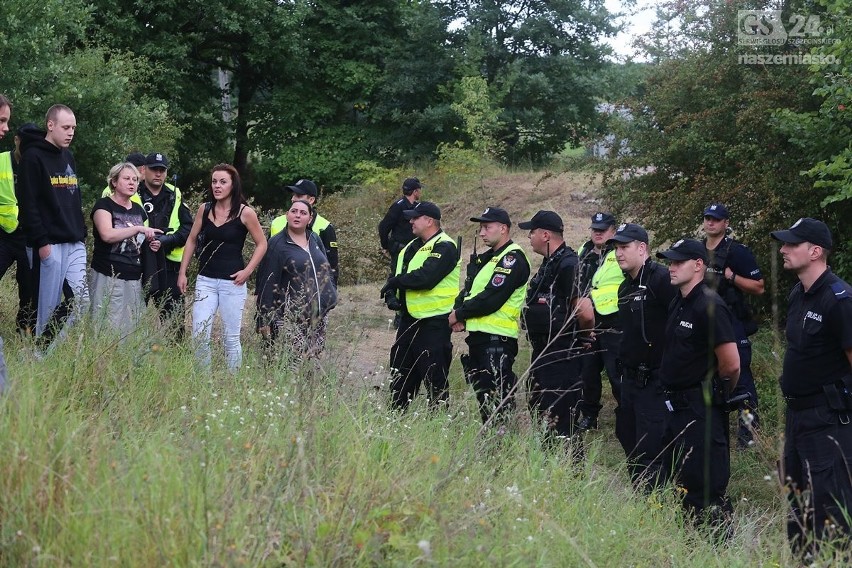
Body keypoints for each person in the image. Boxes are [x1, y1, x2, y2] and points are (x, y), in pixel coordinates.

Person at [770, 218, 852, 555]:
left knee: (829, 508)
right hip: (798, 417)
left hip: (828, 420)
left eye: (791, 244)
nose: (783, 250)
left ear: (815, 251)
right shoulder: (798, 294)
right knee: (798, 502)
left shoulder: (840, 300)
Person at [656, 238, 740, 526]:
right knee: (680, 480)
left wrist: (715, 394)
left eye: (679, 261)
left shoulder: (709, 304)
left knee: (705, 487)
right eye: (670, 261)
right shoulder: (679, 302)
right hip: (675, 408)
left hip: (700, 407)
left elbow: (731, 364)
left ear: (698, 265)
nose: (671, 267)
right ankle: (690, 544)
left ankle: (717, 548)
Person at [178, 164, 267, 371]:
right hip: (205, 280)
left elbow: (262, 244)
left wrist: (248, 271)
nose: (217, 186)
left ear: (233, 185)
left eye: (223, 182)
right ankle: (203, 381)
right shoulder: (205, 209)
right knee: (199, 333)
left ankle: (232, 382)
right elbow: (191, 240)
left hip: (232, 282)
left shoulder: (246, 213)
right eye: (214, 181)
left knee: (231, 337)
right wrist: (183, 272)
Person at [610, 223, 677, 487]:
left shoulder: (661, 279)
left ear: (642, 248)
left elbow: (684, 321)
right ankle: (642, 499)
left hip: (655, 381)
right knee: (628, 437)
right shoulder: (625, 287)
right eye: (616, 248)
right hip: (630, 381)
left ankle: (656, 505)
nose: (618, 254)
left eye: (624, 247)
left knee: (652, 449)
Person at [450, 207, 530, 425]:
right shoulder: (489, 258)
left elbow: (492, 298)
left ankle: (501, 446)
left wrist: (459, 314)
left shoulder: (512, 258)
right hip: (480, 336)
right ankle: (493, 445)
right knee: (484, 395)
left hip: (497, 339)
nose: (482, 233)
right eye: (480, 228)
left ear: (503, 229)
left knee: (496, 397)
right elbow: (469, 291)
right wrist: (460, 314)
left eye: (487, 227)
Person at [17, 104, 89, 343]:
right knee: (46, 306)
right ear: (50, 125)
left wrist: (81, 233)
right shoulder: (32, 157)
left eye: (74, 128)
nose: (71, 132)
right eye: (66, 127)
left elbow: (73, 197)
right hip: (48, 243)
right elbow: (28, 204)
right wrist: (41, 242)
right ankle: (41, 354)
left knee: (80, 301)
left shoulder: (68, 156)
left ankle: (48, 347)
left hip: (74, 240)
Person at [519, 210, 591, 440]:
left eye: (532, 232)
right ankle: (549, 464)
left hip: (561, 354)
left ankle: (570, 468)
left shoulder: (569, 264)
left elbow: (585, 311)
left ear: (546, 235)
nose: (529, 236)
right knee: (539, 407)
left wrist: (582, 338)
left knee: (560, 416)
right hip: (543, 351)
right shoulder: (550, 263)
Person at [380, 201, 459, 410]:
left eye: (415, 217)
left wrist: (396, 283)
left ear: (429, 220)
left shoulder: (446, 246)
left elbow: (426, 277)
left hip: (433, 324)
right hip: (408, 321)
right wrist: (390, 293)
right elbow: (395, 275)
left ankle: (438, 427)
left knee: (435, 381)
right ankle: (395, 422)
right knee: (400, 377)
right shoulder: (410, 247)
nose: (410, 221)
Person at [702, 203, 765, 448]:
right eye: (707, 218)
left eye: (716, 219)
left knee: (742, 379)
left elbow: (759, 286)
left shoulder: (736, 252)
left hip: (732, 322)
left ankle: (749, 434)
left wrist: (732, 277)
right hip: (705, 321)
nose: (710, 223)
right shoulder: (699, 250)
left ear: (726, 223)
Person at [256, 199, 337, 356]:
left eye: (303, 213)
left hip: (317, 314)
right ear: (287, 215)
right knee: (293, 363)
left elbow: (325, 268)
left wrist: (331, 293)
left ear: (310, 219)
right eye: (294, 211)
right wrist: (263, 318)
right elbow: (267, 280)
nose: (297, 215)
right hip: (291, 317)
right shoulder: (277, 244)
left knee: (312, 361)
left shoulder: (314, 238)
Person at [89, 162, 161, 337]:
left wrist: (152, 242)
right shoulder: (103, 205)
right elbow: (107, 235)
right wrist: (137, 229)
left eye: (135, 180)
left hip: (134, 276)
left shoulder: (139, 210)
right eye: (127, 179)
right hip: (107, 273)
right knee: (105, 324)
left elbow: (140, 241)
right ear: (114, 182)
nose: (132, 183)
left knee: (132, 328)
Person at [576, 212, 624, 430]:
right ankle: (589, 415)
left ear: (613, 231)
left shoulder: (620, 252)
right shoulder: (583, 252)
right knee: (587, 371)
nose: (598, 233)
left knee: (616, 372)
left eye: (602, 229)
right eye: (595, 229)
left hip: (612, 321)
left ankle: (626, 412)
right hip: (587, 320)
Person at [139, 152, 193, 336]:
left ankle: (176, 358)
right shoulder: (133, 191)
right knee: (135, 318)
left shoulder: (174, 193)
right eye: (154, 169)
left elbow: (188, 228)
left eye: (162, 170)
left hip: (169, 263)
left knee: (174, 322)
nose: (158, 174)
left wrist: (167, 241)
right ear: (144, 170)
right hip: (140, 263)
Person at [0, 107, 36, 335]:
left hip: (28, 236)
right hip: (3, 234)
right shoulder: (2, 160)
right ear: (16, 140)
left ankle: (24, 331)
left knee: (29, 289)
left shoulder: (38, 165)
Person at [269, 179, 338, 283]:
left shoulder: (325, 227)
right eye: (293, 195)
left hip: (312, 287)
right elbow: (267, 260)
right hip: (280, 286)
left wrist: (330, 294)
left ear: (311, 200)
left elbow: (332, 266)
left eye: (298, 196)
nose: (293, 199)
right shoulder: (277, 222)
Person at [379, 178, 422, 321]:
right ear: (415, 191)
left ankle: (408, 310)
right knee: (397, 278)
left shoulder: (418, 207)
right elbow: (384, 226)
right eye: (419, 190)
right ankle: (398, 313)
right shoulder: (398, 206)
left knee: (411, 278)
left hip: (416, 250)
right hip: (400, 250)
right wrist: (386, 246)